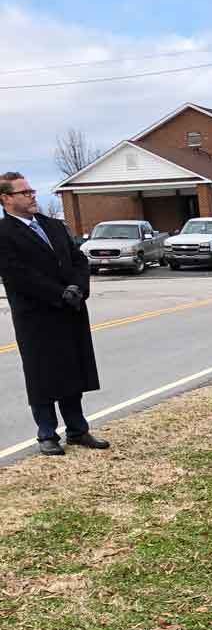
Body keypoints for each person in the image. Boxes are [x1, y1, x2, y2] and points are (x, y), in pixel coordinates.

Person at [0, 173, 109, 457]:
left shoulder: (54, 226)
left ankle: (77, 430)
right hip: (36, 316)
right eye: (24, 192)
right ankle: (47, 434)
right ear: (6, 198)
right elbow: (18, 275)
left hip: (70, 310)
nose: (32, 195)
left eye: (32, 190)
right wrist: (58, 293)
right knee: (42, 374)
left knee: (72, 370)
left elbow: (78, 259)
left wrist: (78, 288)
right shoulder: (4, 233)